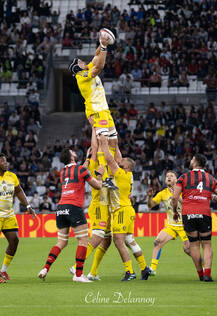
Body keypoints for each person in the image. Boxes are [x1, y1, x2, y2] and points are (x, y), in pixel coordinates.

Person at [38, 148, 105, 283]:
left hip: (61, 208)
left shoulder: (63, 172)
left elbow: (80, 171)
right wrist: (100, 175)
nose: (74, 151)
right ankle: (78, 275)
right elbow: (97, 186)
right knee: (83, 241)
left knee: (61, 242)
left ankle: (45, 268)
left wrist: (87, 158)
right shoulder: (81, 170)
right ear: (71, 156)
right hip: (74, 207)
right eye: (72, 151)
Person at [68, 30, 118, 188]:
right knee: (103, 140)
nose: (84, 62)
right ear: (77, 67)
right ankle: (104, 175)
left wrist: (102, 43)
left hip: (104, 109)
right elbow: (100, 65)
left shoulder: (84, 70)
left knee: (114, 141)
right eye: (81, 61)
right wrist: (103, 46)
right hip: (96, 110)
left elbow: (96, 57)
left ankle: (115, 169)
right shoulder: (80, 77)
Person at [98, 134, 151, 281]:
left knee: (118, 241)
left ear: (127, 167)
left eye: (121, 165)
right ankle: (144, 267)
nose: (118, 164)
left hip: (121, 210)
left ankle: (130, 272)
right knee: (129, 240)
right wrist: (114, 141)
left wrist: (103, 143)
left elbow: (109, 159)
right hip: (127, 209)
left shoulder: (122, 174)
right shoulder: (128, 174)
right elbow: (117, 158)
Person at [172, 154, 217, 282]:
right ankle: (207, 274)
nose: (190, 160)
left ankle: (200, 274)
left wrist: (175, 212)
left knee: (193, 245)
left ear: (195, 162)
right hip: (204, 213)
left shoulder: (183, 177)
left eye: (192, 159)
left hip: (188, 213)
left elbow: (174, 198)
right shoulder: (210, 178)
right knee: (207, 244)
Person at [0, 153, 36, 281]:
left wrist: (28, 206)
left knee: (14, 240)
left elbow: (18, 191)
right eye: (3, 161)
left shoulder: (12, 176)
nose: (6, 163)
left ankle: (3, 271)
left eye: (6, 161)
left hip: (9, 214)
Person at [69, 127, 112, 280]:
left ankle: (93, 272)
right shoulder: (94, 164)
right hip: (99, 203)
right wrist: (95, 129)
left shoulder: (107, 158)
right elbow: (94, 147)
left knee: (107, 240)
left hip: (107, 204)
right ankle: (76, 267)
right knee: (99, 235)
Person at [147, 171, 190, 276]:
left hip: (185, 225)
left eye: (171, 176)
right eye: (167, 176)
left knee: (188, 249)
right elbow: (151, 205)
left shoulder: (183, 191)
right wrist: (150, 197)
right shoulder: (163, 193)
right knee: (157, 242)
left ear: (176, 179)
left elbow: (188, 205)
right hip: (171, 226)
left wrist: (176, 196)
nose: (169, 177)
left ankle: (203, 265)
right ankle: (152, 269)